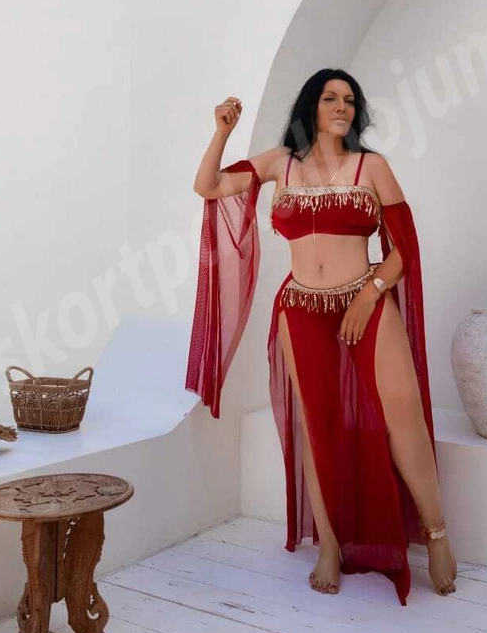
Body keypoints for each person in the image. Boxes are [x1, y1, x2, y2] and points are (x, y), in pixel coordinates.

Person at [187, 68, 457, 603]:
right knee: (317, 426)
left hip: (365, 300)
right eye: (331, 98)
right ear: (311, 105)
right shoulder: (279, 163)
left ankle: (436, 534)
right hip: (302, 309)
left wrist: (369, 294)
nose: (341, 107)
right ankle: (330, 546)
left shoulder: (371, 167)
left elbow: (404, 248)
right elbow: (208, 186)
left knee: (402, 413)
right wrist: (221, 131)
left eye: (350, 101)